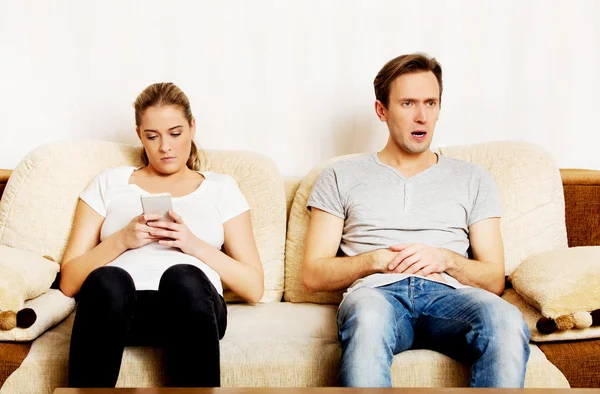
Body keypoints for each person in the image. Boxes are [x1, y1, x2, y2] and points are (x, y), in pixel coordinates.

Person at [303, 53, 530, 388]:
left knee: (507, 319)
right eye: (407, 103)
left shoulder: (473, 178)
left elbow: (494, 278)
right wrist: (376, 260)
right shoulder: (340, 174)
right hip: (377, 296)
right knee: (367, 318)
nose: (422, 116)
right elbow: (312, 274)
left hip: (451, 297)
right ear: (382, 110)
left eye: (431, 103)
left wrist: (446, 259)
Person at [60, 82, 264, 388]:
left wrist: (192, 245)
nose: (165, 147)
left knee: (182, 276)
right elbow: (69, 281)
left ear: (193, 127)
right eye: (152, 136)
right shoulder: (109, 183)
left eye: (175, 133)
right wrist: (121, 240)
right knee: (109, 280)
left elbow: (254, 287)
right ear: (139, 135)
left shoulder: (221, 188)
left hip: (193, 307)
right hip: (118, 309)